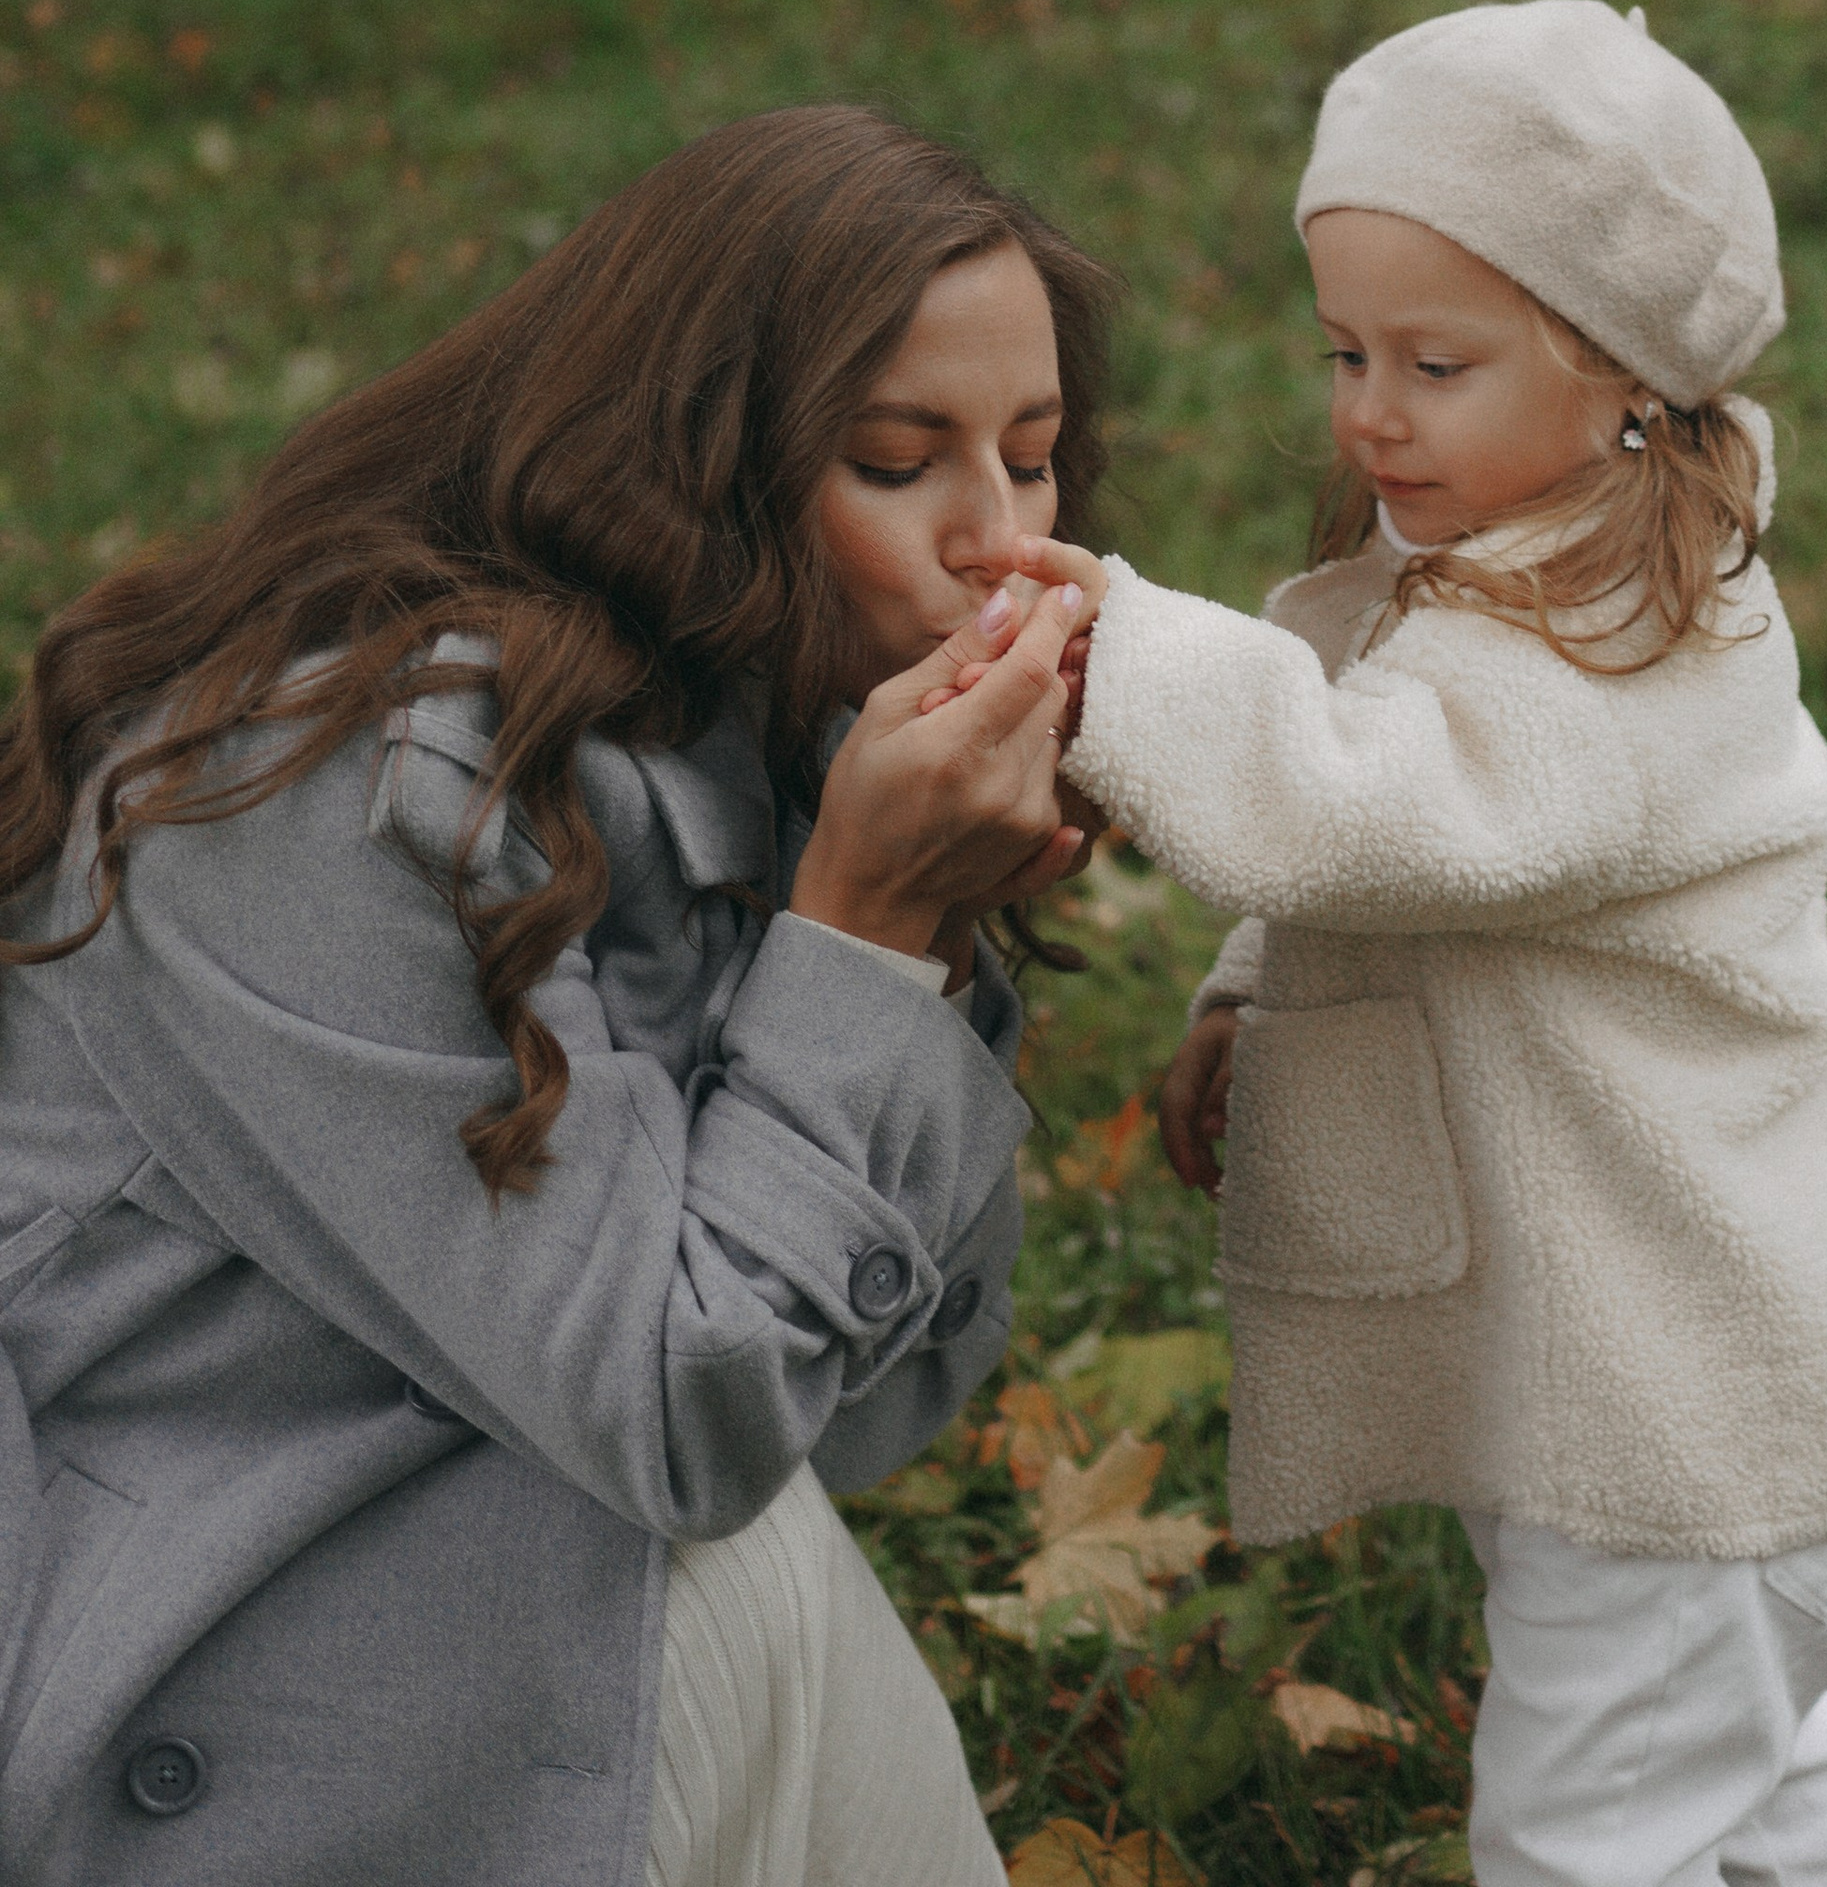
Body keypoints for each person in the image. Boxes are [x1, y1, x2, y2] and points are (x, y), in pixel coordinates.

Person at [0, 104, 1111, 1887]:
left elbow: (884, 1406)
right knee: (720, 1563)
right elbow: (687, 1421)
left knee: (741, 1569)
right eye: (899, 462)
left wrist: (925, 937)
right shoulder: (337, 784)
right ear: (693, 466)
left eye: (1035, 458)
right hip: (182, 1676)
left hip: (508, 1553)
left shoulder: (763, 736)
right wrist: (871, 936)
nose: (1001, 540)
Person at [1003, 0, 1827, 1887]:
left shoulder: (1627, 650)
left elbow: (1375, 798)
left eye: (1437, 359)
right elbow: (1411, 843)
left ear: (1624, 373)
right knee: (1747, 1788)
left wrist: (1116, 644)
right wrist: (1253, 989)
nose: (1369, 411)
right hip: (1655, 1365)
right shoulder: (1539, 568)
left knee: (1600, 1833)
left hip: (1688, 1393)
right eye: (1344, 350)